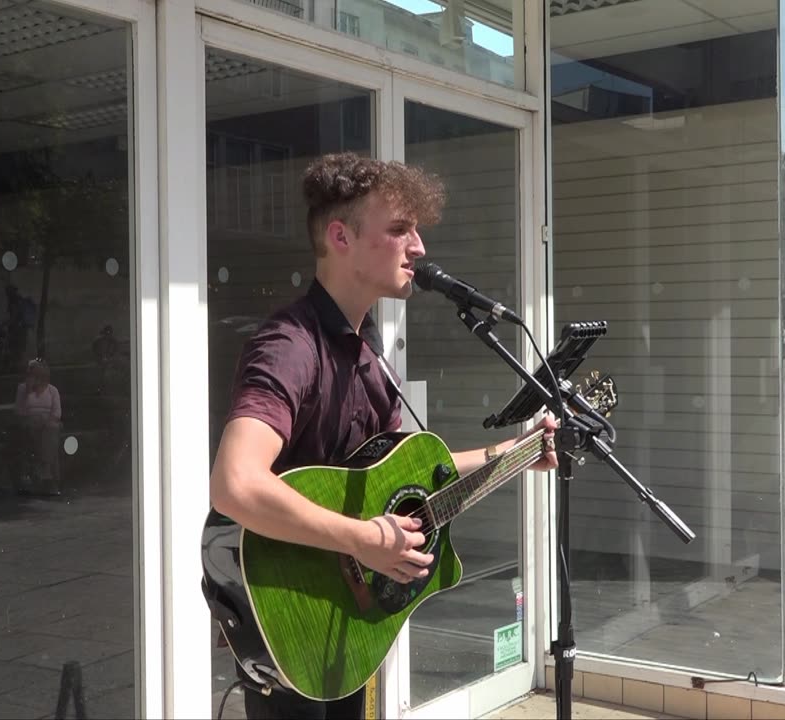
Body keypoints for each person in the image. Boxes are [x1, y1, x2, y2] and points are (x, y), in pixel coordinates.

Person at [208, 153, 558, 719]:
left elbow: (404, 480)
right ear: (341, 236)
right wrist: (362, 539)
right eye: (399, 230)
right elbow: (234, 485)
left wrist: (514, 454)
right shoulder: (291, 346)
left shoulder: (368, 354)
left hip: (351, 616)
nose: (418, 247)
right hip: (291, 611)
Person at [14, 358, 62, 494]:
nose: (34, 377)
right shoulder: (22, 389)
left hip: (49, 422)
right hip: (30, 421)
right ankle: (47, 476)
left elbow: (57, 412)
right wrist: (28, 392)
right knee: (38, 430)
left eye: (37, 374)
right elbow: (19, 411)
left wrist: (48, 420)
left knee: (51, 429)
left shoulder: (53, 390)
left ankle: (45, 472)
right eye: (31, 374)